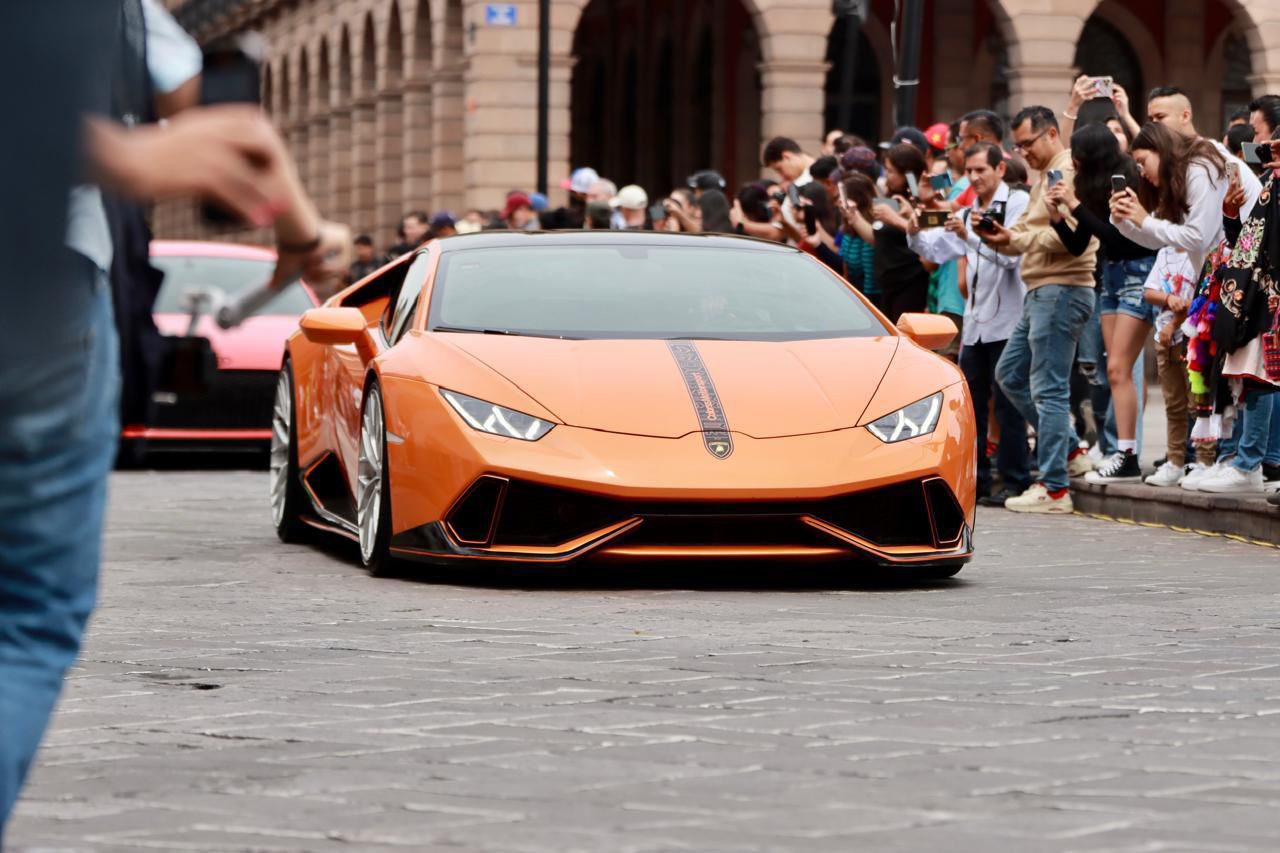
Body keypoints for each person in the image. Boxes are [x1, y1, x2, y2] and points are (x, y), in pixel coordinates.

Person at [3, 51, 351, 853]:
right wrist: (297, 228)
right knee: (26, 614)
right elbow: (234, 121)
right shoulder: (113, 18)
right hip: (39, 282)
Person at [983, 105, 1099, 514]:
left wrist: (1017, 240)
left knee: (1048, 388)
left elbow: (1068, 236)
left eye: (1026, 143)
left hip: (1061, 289)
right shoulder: (1047, 173)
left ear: (1051, 134)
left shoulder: (1063, 172)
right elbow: (1036, 232)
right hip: (1043, 290)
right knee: (1010, 375)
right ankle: (1069, 451)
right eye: (1016, 145)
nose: (1021, 152)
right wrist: (1007, 237)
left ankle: (1054, 489)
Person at [907, 142, 1031, 505]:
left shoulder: (1018, 204)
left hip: (1009, 319)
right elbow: (935, 250)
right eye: (971, 172)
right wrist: (914, 231)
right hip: (976, 323)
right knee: (972, 404)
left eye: (982, 171)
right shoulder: (967, 211)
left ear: (1000, 170)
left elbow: (1012, 258)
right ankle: (977, 479)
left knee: (1007, 402)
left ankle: (1015, 478)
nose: (975, 178)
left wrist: (969, 238)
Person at [1044, 122, 1156, 483]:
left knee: (1118, 369)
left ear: (1088, 155)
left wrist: (1074, 205)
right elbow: (1080, 244)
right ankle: (1124, 454)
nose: (1071, 161)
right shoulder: (1089, 183)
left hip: (1138, 273)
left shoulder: (1126, 180)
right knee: (1114, 372)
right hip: (1111, 276)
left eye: (1075, 154)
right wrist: (1058, 218)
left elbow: (1120, 237)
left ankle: (1127, 454)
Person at [1141, 246, 1213, 485]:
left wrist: (1175, 323)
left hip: (1192, 339)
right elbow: (1149, 291)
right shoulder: (1165, 253)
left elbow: (1200, 298)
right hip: (1164, 339)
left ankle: (1205, 461)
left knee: (1199, 403)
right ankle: (1175, 462)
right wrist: (1169, 298)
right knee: (1174, 404)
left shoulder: (1200, 254)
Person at [869, 143, 933, 322]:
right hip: (886, 282)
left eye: (890, 171)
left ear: (907, 174)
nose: (886, 176)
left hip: (911, 282)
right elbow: (877, 237)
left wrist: (896, 219)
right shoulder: (890, 197)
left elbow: (928, 235)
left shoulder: (924, 199)